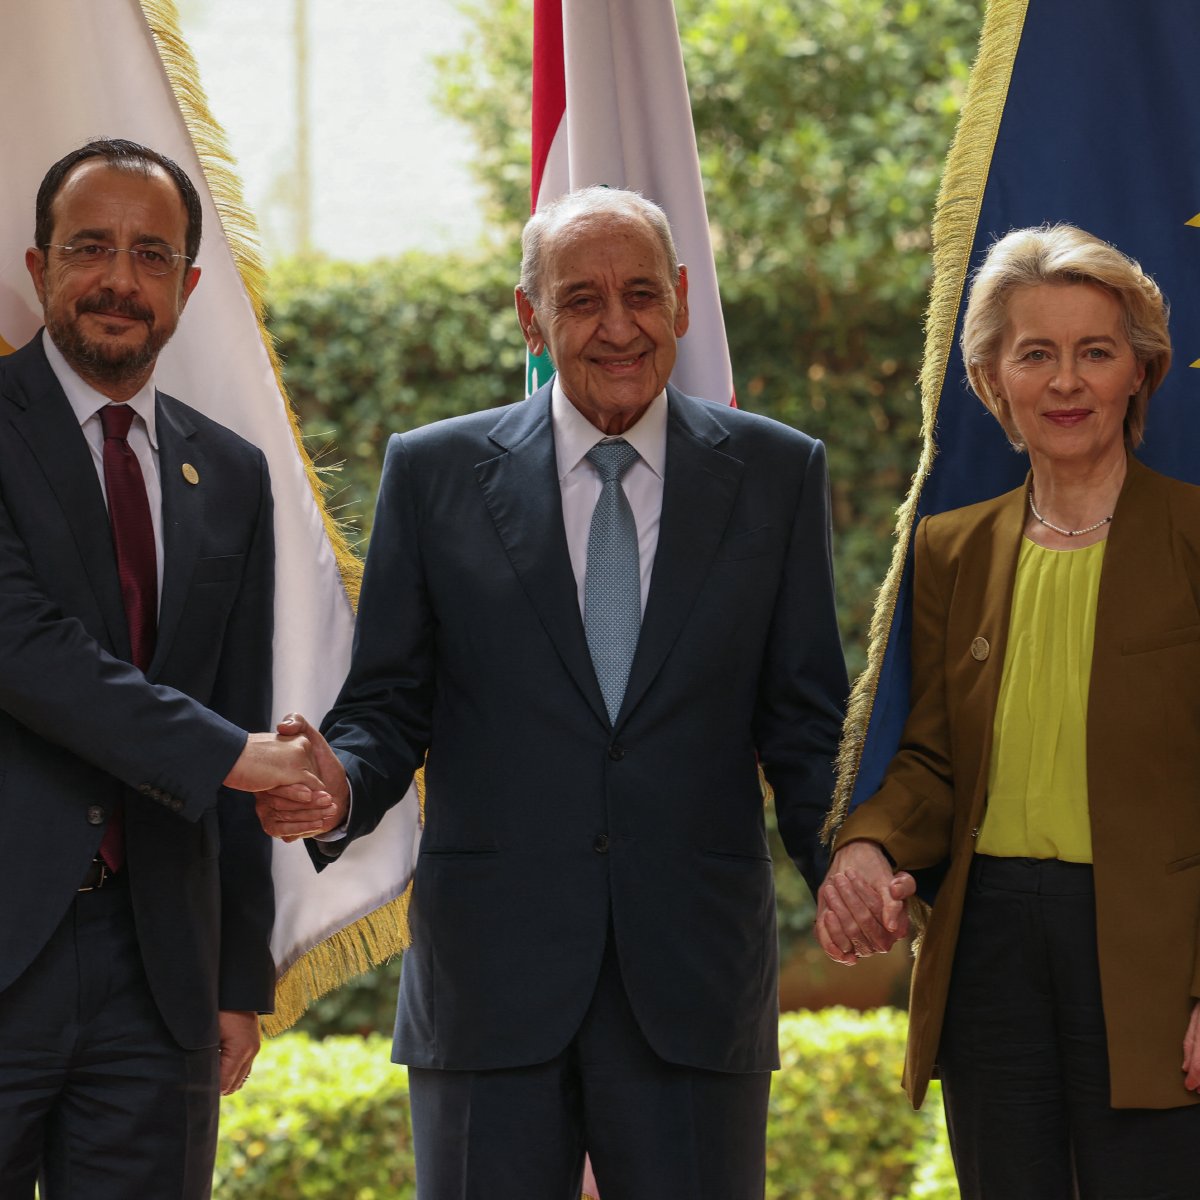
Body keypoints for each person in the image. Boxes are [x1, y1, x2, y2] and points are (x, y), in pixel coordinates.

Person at [256, 186, 848, 1198]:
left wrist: (849, 857)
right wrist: (340, 786)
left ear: (684, 301)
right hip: (490, 983)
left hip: (695, 978)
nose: (618, 328)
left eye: (641, 294)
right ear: (531, 315)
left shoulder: (777, 474)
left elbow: (802, 722)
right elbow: (389, 704)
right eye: (580, 300)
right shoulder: (434, 472)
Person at [817, 224, 1200, 1198]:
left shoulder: (1193, 539)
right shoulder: (951, 547)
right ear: (993, 380)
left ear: (1139, 374)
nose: (1065, 381)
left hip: (1154, 956)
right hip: (988, 953)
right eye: (1037, 354)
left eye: (1095, 352)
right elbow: (937, 764)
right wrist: (870, 847)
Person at [0, 139, 325, 1199]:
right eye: (90, 247)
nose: (119, 280)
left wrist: (236, 979)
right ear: (40, 263)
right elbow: (26, 648)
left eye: (151, 256)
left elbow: (237, 704)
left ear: (187, 285)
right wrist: (239, 757)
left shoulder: (227, 471)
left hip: (160, 983)